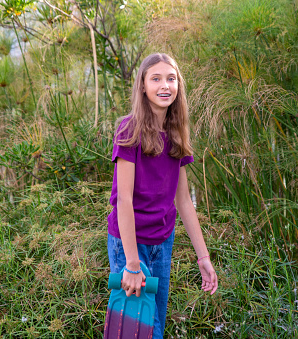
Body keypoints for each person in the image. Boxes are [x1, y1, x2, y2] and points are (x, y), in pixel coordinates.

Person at [106, 52, 218, 338]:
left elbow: (182, 201)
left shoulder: (176, 132)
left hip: (162, 242)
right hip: (129, 243)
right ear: (143, 86)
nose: (164, 85)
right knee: (134, 330)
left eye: (171, 78)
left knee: (154, 324)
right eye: (155, 79)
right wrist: (131, 263)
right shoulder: (129, 129)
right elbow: (124, 200)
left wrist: (203, 256)